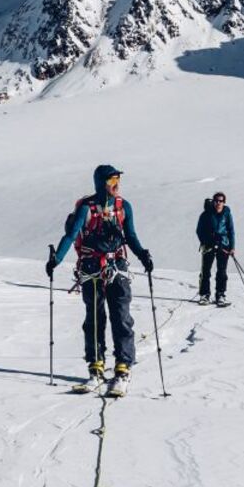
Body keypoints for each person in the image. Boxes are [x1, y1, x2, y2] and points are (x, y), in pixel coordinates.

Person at [46, 164, 154, 396]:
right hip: (92, 268)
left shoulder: (124, 207)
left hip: (116, 266)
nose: (117, 185)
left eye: (117, 180)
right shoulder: (86, 208)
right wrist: (57, 259)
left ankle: (123, 368)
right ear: (101, 183)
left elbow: (131, 236)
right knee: (94, 319)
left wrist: (143, 254)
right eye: (112, 180)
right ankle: (96, 368)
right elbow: (72, 234)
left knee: (121, 317)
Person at [195, 192, 235, 307]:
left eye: (221, 201)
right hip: (209, 246)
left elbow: (231, 231)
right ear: (213, 201)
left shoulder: (227, 214)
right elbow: (199, 230)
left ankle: (220, 294)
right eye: (216, 200)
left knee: (221, 272)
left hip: (224, 246)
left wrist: (232, 247)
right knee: (205, 271)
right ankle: (204, 295)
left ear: (224, 202)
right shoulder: (206, 214)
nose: (218, 203)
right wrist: (207, 241)